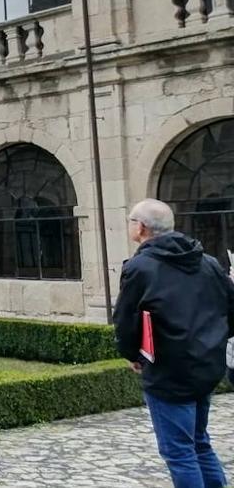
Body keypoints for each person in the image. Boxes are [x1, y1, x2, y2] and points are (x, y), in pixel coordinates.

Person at [113, 199, 234, 488]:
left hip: (169, 371)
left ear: (141, 227)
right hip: (205, 365)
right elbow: (231, 309)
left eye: (131, 220)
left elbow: (125, 321)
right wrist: (211, 343)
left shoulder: (140, 268)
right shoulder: (208, 262)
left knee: (179, 452)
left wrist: (133, 355)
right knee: (199, 443)